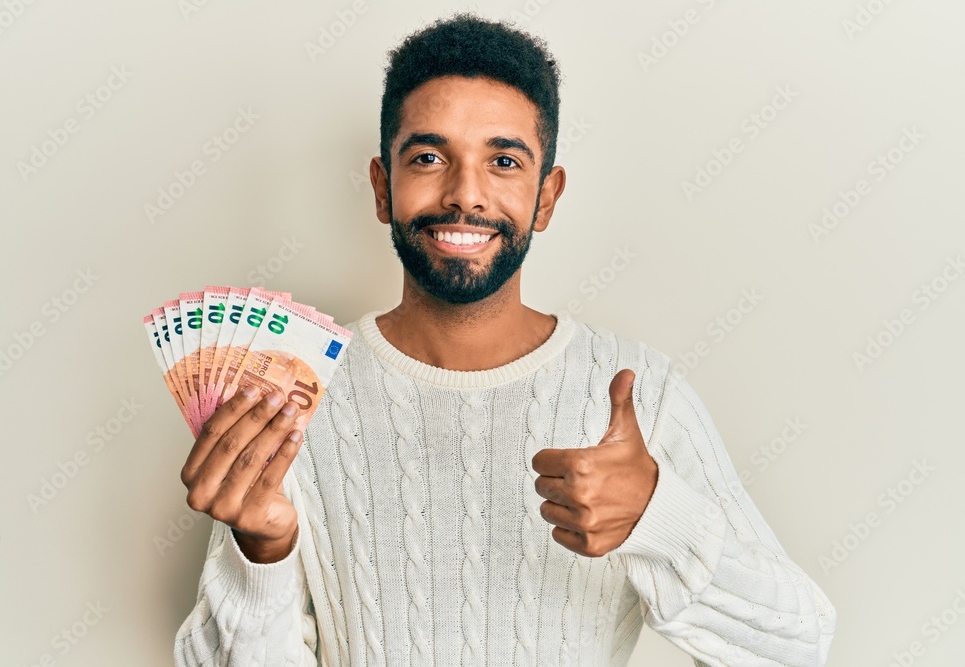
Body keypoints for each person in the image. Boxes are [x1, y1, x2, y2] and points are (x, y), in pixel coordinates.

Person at [174, 12, 836, 666]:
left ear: (546, 197)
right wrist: (261, 552)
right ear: (383, 187)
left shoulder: (643, 393)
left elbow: (800, 646)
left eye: (504, 160)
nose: (466, 194)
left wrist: (657, 516)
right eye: (429, 157)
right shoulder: (294, 392)